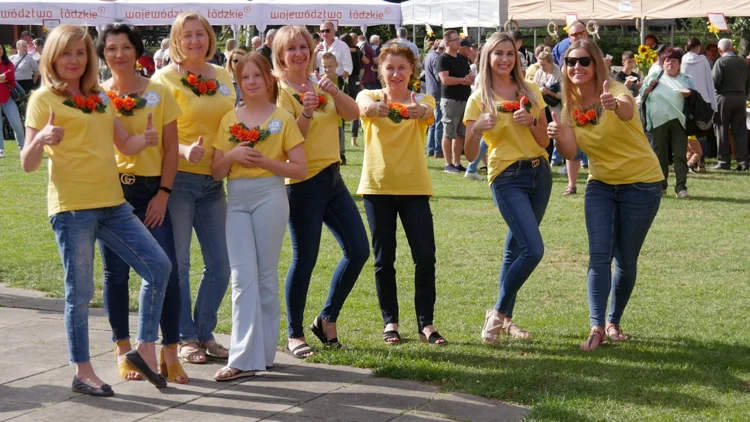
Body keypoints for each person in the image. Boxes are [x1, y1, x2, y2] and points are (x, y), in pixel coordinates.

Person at [21, 24, 172, 395]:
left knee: (159, 266)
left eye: (81, 53)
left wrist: (146, 139)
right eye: (66, 53)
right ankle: (82, 371)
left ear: (89, 58)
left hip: (113, 204)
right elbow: (28, 163)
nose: (74, 60)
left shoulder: (100, 98)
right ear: (52, 58)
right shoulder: (43, 100)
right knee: (80, 292)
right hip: (73, 209)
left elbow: (125, 144)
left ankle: (143, 347)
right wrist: (40, 139)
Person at [548, 39, 663, 350]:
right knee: (599, 256)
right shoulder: (570, 104)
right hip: (600, 185)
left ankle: (614, 320)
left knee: (626, 259)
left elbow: (627, 110)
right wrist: (559, 136)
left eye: (584, 61)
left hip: (642, 184)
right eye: (571, 62)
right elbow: (572, 151)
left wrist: (613, 105)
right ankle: (596, 326)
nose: (577, 67)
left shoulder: (615, 90)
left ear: (596, 63)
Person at [96, 23, 187, 385]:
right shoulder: (96, 95)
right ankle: (123, 350)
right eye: (111, 48)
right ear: (103, 55)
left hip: (152, 193)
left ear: (137, 51)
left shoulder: (160, 93)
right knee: (115, 275)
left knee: (168, 271)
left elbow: (170, 149)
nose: (119, 54)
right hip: (111, 194)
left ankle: (169, 353)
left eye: (125, 47)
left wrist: (163, 193)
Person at [273, 25, 369, 358]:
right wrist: (308, 111)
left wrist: (334, 92)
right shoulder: (281, 91)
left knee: (358, 250)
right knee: (305, 259)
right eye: (291, 49)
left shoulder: (318, 82)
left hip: (332, 178)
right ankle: (294, 334)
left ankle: (326, 318)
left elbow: (353, 113)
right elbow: (287, 143)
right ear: (281, 56)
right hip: (302, 184)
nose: (299, 53)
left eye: (303, 46)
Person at [211, 52, 306, 381]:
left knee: (265, 276)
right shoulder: (229, 120)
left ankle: (263, 353)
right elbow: (214, 171)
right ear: (238, 82)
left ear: (269, 79)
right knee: (242, 277)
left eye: (257, 76)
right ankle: (241, 357)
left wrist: (266, 162)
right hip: (236, 199)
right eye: (244, 77)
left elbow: (300, 168)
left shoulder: (283, 118)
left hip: (271, 196)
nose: (251, 83)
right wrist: (234, 154)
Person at [151, 11, 236, 365]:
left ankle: (204, 331)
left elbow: (233, 118)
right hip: (178, 179)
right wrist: (184, 149)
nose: (195, 41)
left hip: (215, 180)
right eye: (187, 35)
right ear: (176, 40)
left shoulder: (223, 76)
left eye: (200, 34)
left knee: (221, 263)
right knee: (180, 263)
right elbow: (151, 129)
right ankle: (184, 336)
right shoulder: (163, 79)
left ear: (210, 37)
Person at [463, 32, 552, 344]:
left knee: (515, 248)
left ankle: (506, 320)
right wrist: (475, 129)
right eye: (498, 53)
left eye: (510, 53)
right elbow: (470, 155)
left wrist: (531, 121)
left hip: (540, 176)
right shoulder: (479, 99)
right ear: (487, 57)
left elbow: (544, 141)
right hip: (506, 177)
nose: (504, 59)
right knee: (533, 249)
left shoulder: (530, 90)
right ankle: (498, 311)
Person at [356, 42, 443, 345]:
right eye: (390, 67)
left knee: (425, 257)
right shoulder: (370, 97)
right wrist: (372, 108)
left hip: (414, 188)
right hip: (376, 188)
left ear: (412, 71)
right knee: (384, 260)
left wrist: (421, 111)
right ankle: (390, 322)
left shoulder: (422, 100)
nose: (395, 73)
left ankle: (426, 324)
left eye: (402, 68)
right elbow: (361, 107)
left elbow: (429, 111)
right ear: (380, 70)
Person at [641, 47, 694, 198]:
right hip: (658, 121)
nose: (670, 63)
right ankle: (661, 186)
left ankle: (681, 188)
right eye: (666, 60)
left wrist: (690, 93)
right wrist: (649, 86)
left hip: (680, 121)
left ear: (679, 63)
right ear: (662, 63)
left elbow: (695, 99)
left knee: (680, 155)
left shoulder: (686, 79)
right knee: (659, 155)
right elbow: (642, 95)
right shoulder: (653, 77)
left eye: (673, 60)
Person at [552, 21, 589, 186]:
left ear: (586, 33)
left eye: (581, 33)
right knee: (571, 140)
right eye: (574, 34)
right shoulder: (565, 52)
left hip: (591, 101)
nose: (578, 36)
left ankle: (596, 180)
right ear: (569, 36)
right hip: (572, 101)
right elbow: (562, 76)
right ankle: (571, 184)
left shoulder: (593, 51)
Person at [437, 30, 474, 173]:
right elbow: (445, 79)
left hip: (464, 99)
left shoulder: (462, 58)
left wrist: (470, 78)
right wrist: (462, 80)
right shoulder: (443, 59)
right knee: (448, 132)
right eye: (455, 40)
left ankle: (457, 163)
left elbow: (468, 75)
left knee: (460, 134)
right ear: (447, 43)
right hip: (450, 100)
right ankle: (448, 164)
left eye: (459, 39)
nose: (459, 41)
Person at [711, 38, 750, 171]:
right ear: (732, 47)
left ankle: (723, 161)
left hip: (724, 98)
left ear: (720, 50)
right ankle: (744, 161)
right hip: (741, 98)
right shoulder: (743, 62)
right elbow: (748, 82)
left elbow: (715, 82)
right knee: (740, 131)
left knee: (721, 130)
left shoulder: (720, 62)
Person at [681, 38, 717, 172]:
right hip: (704, 99)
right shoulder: (704, 61)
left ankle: (689, 160)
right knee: (702, 132)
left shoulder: (683, 60)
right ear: (697, 47)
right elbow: (709, 81)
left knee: (689, 132)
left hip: (689, 98)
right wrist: (713, 104)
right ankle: (701, 163)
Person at [0, 43, 26, 156]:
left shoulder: (8, 63)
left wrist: (5, 77)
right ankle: (0, 150)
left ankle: (23, 147)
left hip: (8, 98)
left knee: (17, 124)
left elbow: (10, 75)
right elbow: (7, 76)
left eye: (0, 49)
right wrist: (3, 78)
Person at [314, 21, 352, 85]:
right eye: (322, 31)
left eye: (327, 30)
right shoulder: (318, 47)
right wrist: (314, 53)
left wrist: (340, 82)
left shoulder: (342, 45)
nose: (325, 33)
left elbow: (348, 68)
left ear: (334, 31)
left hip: (338, 83)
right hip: (323, 83)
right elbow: (314, 67)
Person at [424, 40, 444, 158]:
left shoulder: (429, 55)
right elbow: (439, 77)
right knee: (439, 123)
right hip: (437, 92)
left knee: (433, 123)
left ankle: (431, 149)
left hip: (430, 92)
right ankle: (437, 149)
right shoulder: (437, 59)